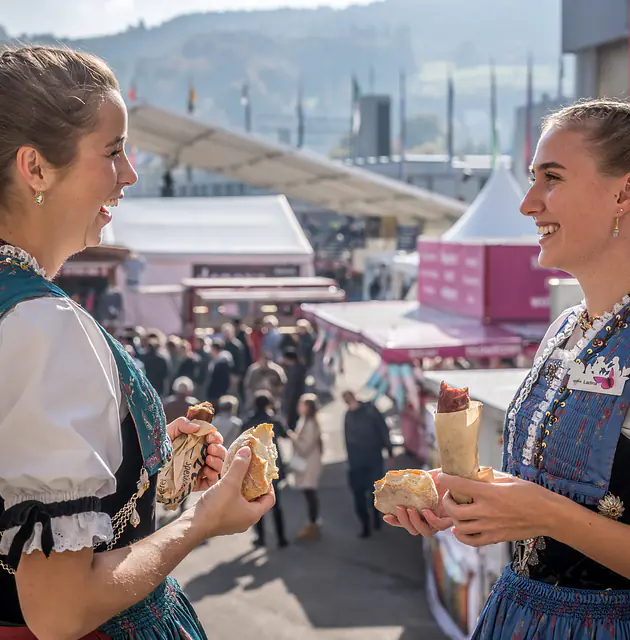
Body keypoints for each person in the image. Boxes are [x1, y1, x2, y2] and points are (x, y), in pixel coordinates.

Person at [0, 45, 274, 639]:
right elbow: (60, 610)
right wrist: (201, 522)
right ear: (36, 168)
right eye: (112, 151)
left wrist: (138, 463)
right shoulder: (43, 325)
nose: (130, 174)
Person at [386, 98, 630, 638]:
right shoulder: (564, 328)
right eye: (532, 178)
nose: (527, 204)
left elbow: (553, 510)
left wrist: (543, 514)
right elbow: (551, 493)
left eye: (552, 178)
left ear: (622, 194)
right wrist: (470, 496)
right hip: (516, 617)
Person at [342, 390, 392, 538]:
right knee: (360, 495)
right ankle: (367, 525)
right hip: (358, 462)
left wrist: (389, 450)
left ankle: (375, 519)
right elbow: (347, 439)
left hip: (371, 459)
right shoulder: (350, 415)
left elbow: (382, 429)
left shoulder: (369, 410)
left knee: (374, 492)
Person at [242, 391, 289, 549]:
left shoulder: (249, 422)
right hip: (273, 466)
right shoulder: (274, 420)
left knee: (258, 503)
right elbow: (285, 434)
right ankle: (281, 538)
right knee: (276, 503)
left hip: (257, 467)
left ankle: (261, 538)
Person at [286, 394, 324, 540]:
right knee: (309, 494)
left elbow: (305, 447)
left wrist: (292, 437)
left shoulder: (310, 424)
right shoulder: (305, 421)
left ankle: (313, 523)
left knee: (310, 493)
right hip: (308, 462)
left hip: (309, 463)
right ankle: (313, 522)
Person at [281, 349, 306, 430]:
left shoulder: (295, 371)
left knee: (293, 421)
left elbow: (292, 388)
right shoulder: (298, 368)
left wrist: (288, 402)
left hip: (294, 399)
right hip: (296, 398)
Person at [206, 339, 233, 407]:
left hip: (218, 392)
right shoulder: (213, 361)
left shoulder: (222, 363)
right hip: (213, 392)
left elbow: (224, 379)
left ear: (215, 349)